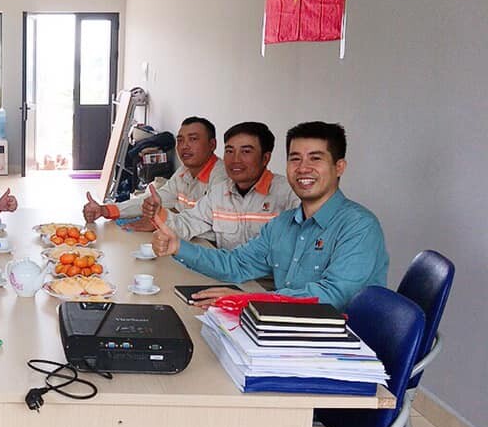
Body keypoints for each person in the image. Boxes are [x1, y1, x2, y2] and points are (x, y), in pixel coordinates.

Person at [152, 122, 388, 310]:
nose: (303, 168)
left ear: (339, 167)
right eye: (295, 158)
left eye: (315, 158)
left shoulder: (359, 226)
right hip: (280, 329)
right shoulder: (283, 224)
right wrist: (178, 247)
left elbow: (334, 296)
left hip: (332, 343)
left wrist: (247, 300)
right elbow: (236, 264)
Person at [147, 121, 299, 249]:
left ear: (265, 158)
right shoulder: (219, 193)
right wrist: (159, 213)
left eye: (246, 152)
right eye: (229, 151)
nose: (235, 160)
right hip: (226, 271)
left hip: (268, 277)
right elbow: (187, 224)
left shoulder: (288, 193)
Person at [83, 116, 226, 230]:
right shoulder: (184, 172)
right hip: (183, 240)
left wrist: (159, 221)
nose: (184, 146)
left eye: (193, 139)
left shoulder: (222, 179)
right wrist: (105, 210)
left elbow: (206, 226)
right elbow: (152, 201)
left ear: (212, 145)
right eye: (180, 140)